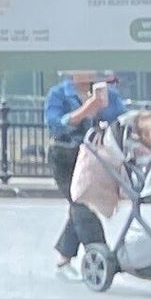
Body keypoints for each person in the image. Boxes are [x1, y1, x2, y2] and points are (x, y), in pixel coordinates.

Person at [46, 66, 117, 275]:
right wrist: (86, 110)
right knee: (82, 203)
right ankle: (99, 257)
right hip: (66, 156)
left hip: (94, 157)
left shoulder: (106, 93)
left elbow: (120, 118)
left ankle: (64, 258)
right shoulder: (58, 94)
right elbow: (55, 125)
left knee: (82, 205)